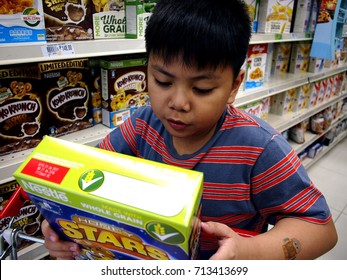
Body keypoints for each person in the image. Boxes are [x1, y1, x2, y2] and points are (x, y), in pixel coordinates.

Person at [41, 0, 337, 260]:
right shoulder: (142, 126)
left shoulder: (259, 149)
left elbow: (321, 229)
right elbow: (85, 177)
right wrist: (62, 224)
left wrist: (248, 252)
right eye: (163, 82)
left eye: (202, 88)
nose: (178, 103)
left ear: (234, 86)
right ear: (147, 72)